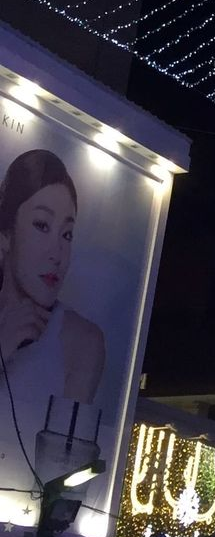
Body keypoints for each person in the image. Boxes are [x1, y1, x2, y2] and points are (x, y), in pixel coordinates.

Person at [0, 150, 104, 405]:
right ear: (5, 234)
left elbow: (63, 443)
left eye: (66, 234)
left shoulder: (81, 342)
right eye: (42, 225)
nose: (57, 254)